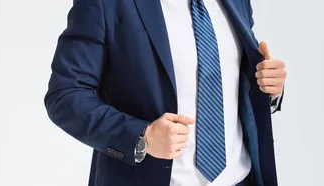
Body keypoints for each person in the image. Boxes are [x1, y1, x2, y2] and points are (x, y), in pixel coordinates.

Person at [44, 0, 287, 185]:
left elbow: (236, 80)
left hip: (239, 178)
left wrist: (269, 87)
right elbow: (65, 95)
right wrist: (142, 138)